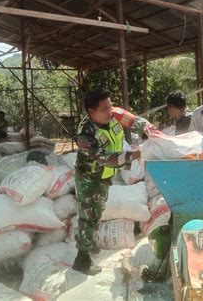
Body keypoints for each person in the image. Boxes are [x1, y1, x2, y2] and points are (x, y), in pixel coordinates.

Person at [73, 89, 142, 275]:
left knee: (97, 211)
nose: (110, 111)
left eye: (110, 106)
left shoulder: (110, 115)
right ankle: (82, 259)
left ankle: (89, 242)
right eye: (105, 109)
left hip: (104, 177)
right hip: (89, 179)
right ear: (91, 112)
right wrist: (137, 154)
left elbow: (129, 119)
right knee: (88, 216)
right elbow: (106, 158)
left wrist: (144, 127)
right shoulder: (85, 135)